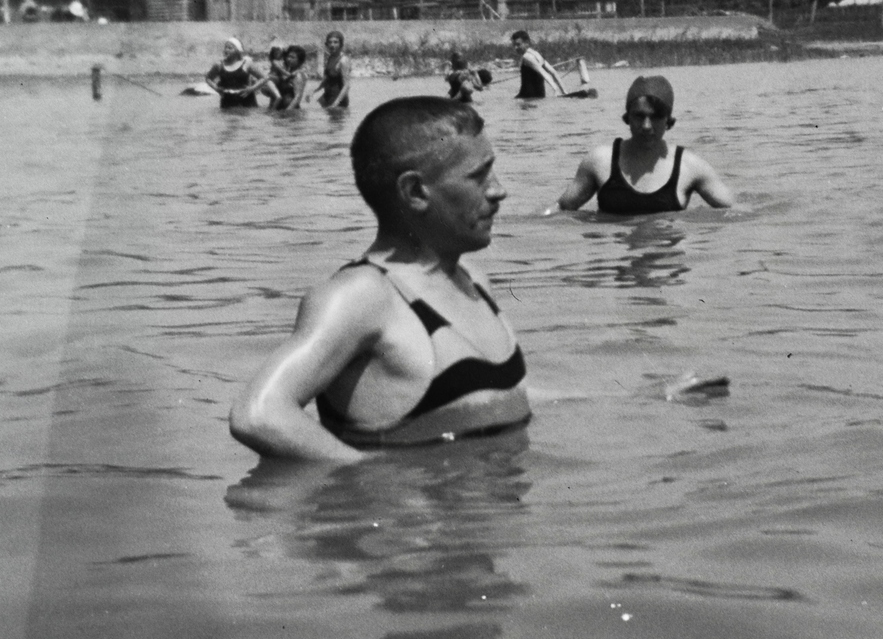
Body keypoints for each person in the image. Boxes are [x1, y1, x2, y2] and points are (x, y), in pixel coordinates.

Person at [230, 97, 530, 461]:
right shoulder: (363, 296)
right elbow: (259, 415)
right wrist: (368, 474)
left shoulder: (472, 280)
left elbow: (492, 400)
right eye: (478, 176)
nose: (499, 190)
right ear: (415, 191)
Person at [555, 75, 735, 214]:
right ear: (628, 117)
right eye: (639, 116)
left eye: (656, 117)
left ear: (668, 121)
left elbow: (736, 212)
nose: (647, 126)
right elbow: (560, 210)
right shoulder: (600, 161)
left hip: (668, 251)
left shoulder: (690, 167)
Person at [205, 37, 271, 109]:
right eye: (225, 47)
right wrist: (216, 88)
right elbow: (208, 78)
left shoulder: (246, 63)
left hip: (247, 101)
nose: (226, 50)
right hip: (227, 101)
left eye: (230, 48)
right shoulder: (219, 65)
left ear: (237, 51)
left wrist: (252, 88)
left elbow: (264, 77)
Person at [511, 30, 569, 98]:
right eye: (514, 45)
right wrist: (565, 92)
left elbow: (543, 73)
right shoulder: (537, 54)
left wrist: (556, 89)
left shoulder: (526, 57)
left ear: (527, 43)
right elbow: (553, 72)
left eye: (518, 44)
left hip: (526, 98)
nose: (515, 48)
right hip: (539, 97)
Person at [269, 44, 310, 110]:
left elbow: (297, 97)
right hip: (281, 109)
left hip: (290, 110)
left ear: (299, 60)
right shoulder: (289, 71)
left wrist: (287, 111)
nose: (288, 59)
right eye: (288, 56)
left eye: (292, 57)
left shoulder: (298, 75)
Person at [318, 30, 351, 108]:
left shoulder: (343, 60)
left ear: (341, 44)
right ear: (327, 44)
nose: (332, 45)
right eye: (330, 42)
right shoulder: (330, 58)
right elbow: (327, 80)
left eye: (335, 42)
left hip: (339, 102)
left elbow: (346, 85)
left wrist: (335, 104)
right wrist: (314, 91)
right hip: (328, 98)